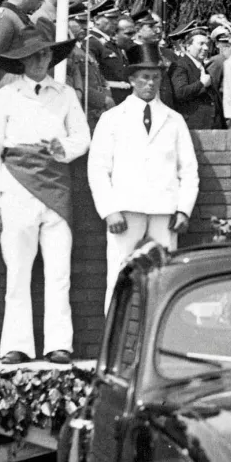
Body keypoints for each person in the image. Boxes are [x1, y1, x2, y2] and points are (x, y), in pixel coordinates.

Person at [0, 25, 91, 364]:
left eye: (46, 53)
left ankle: (59, 344)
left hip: (57, 188)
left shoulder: (65, 94)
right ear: (21, 61)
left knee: (59, 272)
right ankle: (17, 345)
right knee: (17, 272)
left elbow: (82, 138)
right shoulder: (5, 97)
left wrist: (64, 148)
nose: (41, 59)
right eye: (34, 55)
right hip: (16, 187)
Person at [88, 42, 200, 311]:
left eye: (155, 77)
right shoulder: (112, 118)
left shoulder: (174, 119)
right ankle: (113, 343)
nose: (150, 83)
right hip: (125, 211)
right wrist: (109, 210)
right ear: (131, 80)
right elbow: (98, 168)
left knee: (164, 276)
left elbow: (188, 169)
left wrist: (183, 210)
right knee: (119, 274)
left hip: (165, 210)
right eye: (144, 77)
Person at [169, 23, 224, 129]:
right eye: (201, 44)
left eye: (207, 44)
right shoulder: (180, 65)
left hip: (210, 127)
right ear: (188, 46)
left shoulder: (202, 67)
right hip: (193, 127)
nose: (206, 48)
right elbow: (180, 93)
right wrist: (201, 84)